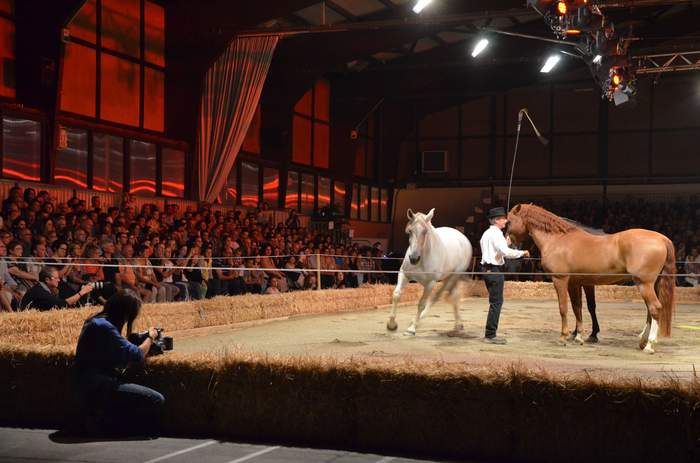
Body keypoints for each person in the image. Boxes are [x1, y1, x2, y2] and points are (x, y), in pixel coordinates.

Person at [73, 291, 165, 435]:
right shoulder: (105, 327)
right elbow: (137, 354)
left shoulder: (96, 320)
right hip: (96, 385)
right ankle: (109, 426)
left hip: (88, 380)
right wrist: (150, 337)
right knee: (156, 399)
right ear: (126, 313)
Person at [479, 207, 529, 344]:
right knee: (496, 303)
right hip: (494, 271)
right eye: (503, 219)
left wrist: (504, 244)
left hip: (486, 270)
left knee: (494, 302)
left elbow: (496, 250)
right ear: (497, 220)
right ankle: (490, 335)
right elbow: (506, 253)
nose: (506, 221)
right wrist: (522, 252)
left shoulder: (487, 234)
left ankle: (490, 334)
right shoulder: (496, 235)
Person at [19, 266, 95, 311]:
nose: (59, 280)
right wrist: (81, 292)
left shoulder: (43, 288)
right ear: (47, 280)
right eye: (56, 278)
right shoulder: (40, 292)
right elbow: (62, 304)